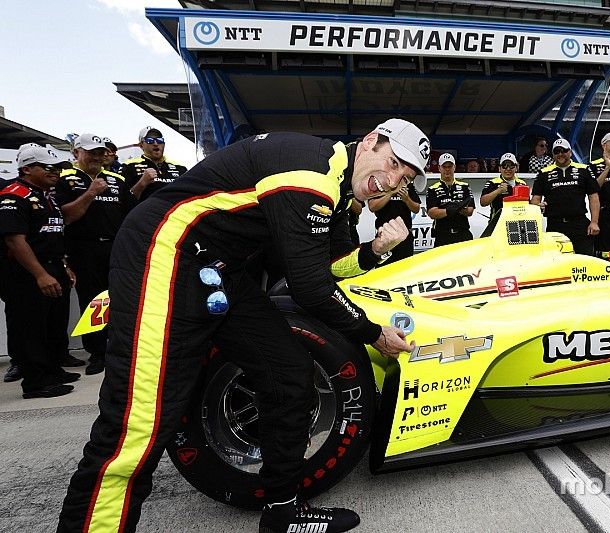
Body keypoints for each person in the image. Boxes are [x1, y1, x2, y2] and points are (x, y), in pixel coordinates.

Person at [58, 118, 428, 533]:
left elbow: (329, 265)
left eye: (405, 177)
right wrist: (373, 333)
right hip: (165, 254)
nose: (393, 181)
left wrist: (375, 250)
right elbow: (312, 288)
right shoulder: (311, 172)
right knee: (136, 427)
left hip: (219, 271)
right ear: (370, 143)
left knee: (288, 374)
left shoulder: (336, 188)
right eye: (394, 162)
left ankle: (282, 513)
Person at [0, 145, 79, 398]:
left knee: (53, 325)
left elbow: (55, 233)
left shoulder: (47, 195)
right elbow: (15, 240)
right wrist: (40, 274)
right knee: (32, 329)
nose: (54, 172)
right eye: (47, 167)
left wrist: (63, 267)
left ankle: (53, 371)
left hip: (53, 265)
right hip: (27, 271)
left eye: (56, 167)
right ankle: (36, 383)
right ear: (26, 168)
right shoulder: (14, 195)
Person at [55, 133, 135, 375]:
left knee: (121, 298)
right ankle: (98, 353)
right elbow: (65, 216)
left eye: (100, 152)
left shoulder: (117, 179)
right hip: (83, 248)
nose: (96, 157)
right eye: (91, 152)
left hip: (115, 247)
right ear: (76, 152)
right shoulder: (65, 180)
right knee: (92, 301)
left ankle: (122, 349)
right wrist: (90, 193)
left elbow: (131, 214)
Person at [530, 139, 600, 255]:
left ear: (570, 152)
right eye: (557, 151)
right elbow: (535, 201)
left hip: (579, 223)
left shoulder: (584, 170)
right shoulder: (544, 173)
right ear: (553, 154)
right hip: (555, 225)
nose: (560, 154)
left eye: (564, 151)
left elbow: (594, 197)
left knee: (583, 261)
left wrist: (594, 222)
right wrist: (537, 206)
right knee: (555, 262)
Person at [367, 147, 422, 264]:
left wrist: (407, 199)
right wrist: (390, 192)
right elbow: (372, 207)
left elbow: (417, 208)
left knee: (405, 270)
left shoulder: (407, 184)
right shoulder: (381, 183)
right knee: (383, 270)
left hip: (405, 236)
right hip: (384, 235)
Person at [121, 126, 188, 201]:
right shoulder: (129, 166)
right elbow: (124, 202)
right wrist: (142, 183)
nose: (156, 144)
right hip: (147, 211)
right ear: (141, 145)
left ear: (164, 144)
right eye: (150, 140)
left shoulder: (180, 168)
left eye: (159, 140)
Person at [427, 153, 475, 247]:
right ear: (439, 168)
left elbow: (470, 211)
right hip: (442, 236)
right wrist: (449, 210)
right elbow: (432, 213)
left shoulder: (465, 186)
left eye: (450, 166)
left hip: (463, 234)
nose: (447, 169)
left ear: (454, 167)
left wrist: (458, 209)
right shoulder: (432, 189)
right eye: (444, 167)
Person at [480, 153, 527, 236]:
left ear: (516, 168)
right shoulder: (492, 183)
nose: (508, 169)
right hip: (497, 225)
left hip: (517, 225)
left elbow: (527, 205)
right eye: (504, 166)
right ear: (499, 168)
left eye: (511, 165)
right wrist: (498, 191)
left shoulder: (522, 183)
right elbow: (483, 202)